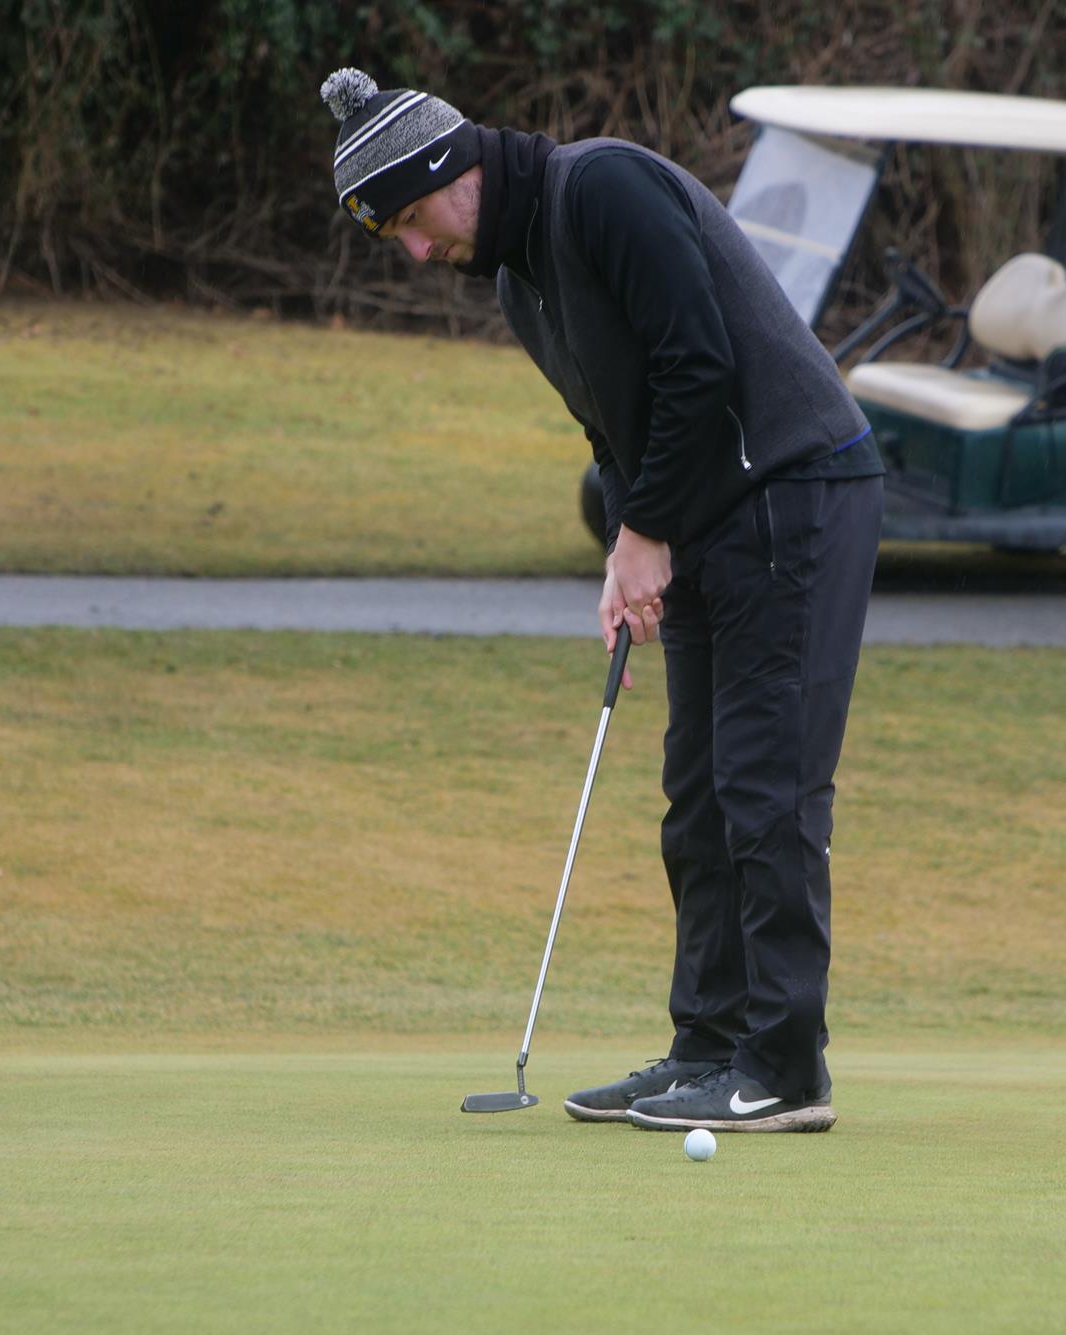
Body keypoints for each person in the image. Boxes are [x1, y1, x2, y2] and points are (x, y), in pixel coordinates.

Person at [321, 67, 884, 1133]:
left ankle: (782, 1066)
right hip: (712, 512)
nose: (415, 251)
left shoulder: (602, 189)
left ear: (453, 170)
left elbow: (697, 365)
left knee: (764, 784)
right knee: (698, 793)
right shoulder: (520, 281)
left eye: (412, 220)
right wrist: (630, 551)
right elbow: (611, 431)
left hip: (796, 487)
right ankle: (707, 1046)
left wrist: (647, 530)